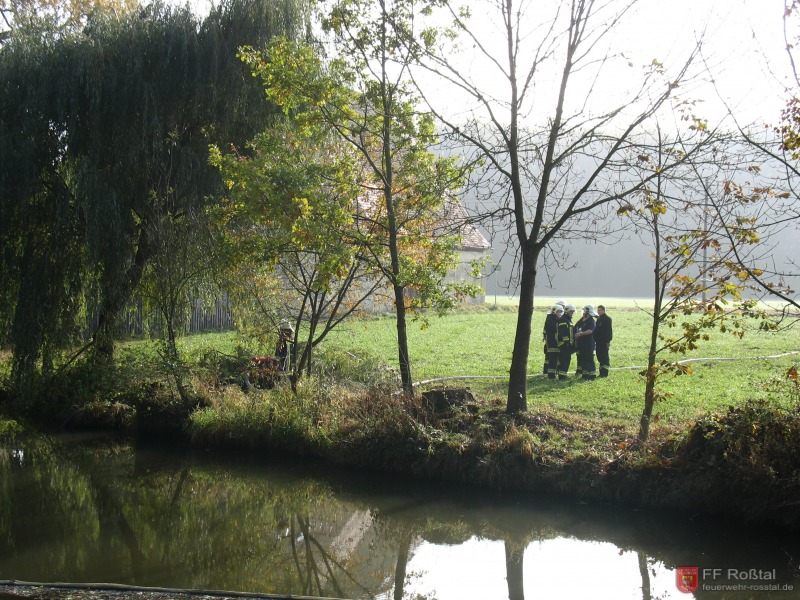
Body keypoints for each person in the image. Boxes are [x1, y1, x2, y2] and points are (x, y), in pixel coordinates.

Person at [542, 300, 566, 376]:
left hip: (555, 342)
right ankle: (549, 374)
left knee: (555, 358)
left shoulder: (553, 318)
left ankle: (553, 372)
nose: (560, 313)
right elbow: (554, 329)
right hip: (552, 342)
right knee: (551, 358)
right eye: (559, 311)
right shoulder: (551, 319)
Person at [574, 305, 598, 380]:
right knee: (583, 359)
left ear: (588, 313)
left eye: (584, 312)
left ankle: (592, 375)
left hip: (589, 344)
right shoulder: (583, 320)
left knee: (589, 359)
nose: (583, 313)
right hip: (582, 344)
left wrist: (580, 334)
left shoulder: (591, 321)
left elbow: (590, 331)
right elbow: (576, 326)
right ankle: (585, 375)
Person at [556, 304, 576, 380]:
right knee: (565, 360)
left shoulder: (567, 319)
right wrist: (567, 342)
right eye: (571, 312)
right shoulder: (564, 320)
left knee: (565, 360)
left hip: (566, 344)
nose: (572, 313)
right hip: (564, 344)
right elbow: (563, 332)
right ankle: (562, 376)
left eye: (573, 312)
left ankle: (562, 375)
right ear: (567, 311)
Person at [594, 304, 613, 377]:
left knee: (604, 356)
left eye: (600, 310)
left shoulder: (607, 319)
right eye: (598, 310)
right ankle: (601, 372)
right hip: (598, 341)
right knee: (599, 356)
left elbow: (609, 331)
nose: (598, 312)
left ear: (604, 310)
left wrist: (608, 341)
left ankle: (605, 373)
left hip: (604, 341)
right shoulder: (599, 319)